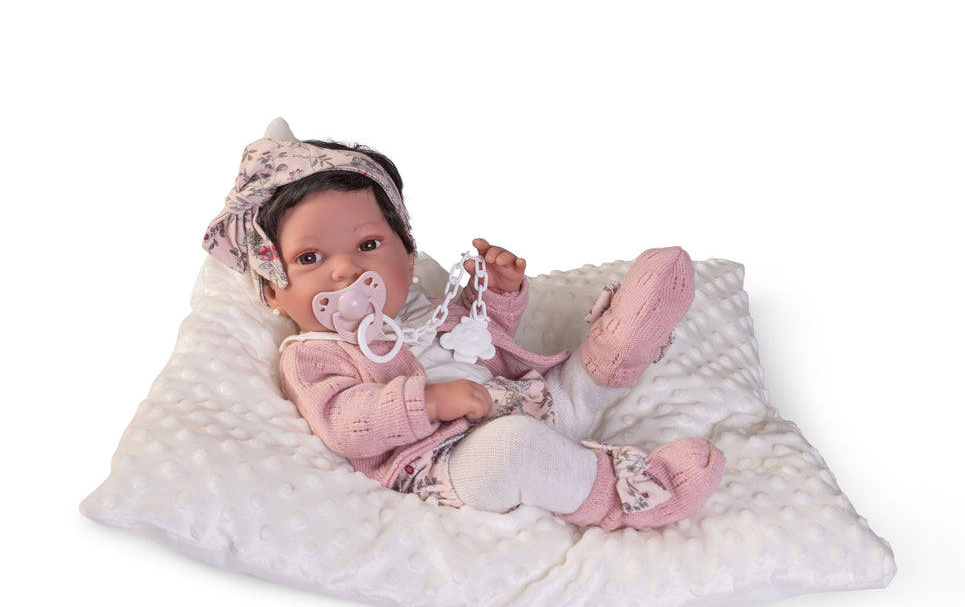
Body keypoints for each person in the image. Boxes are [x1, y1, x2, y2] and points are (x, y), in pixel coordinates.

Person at [203, 120, 724, 530]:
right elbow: (342, 420)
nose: (346, 270)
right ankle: (628, 497)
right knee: (513, 448)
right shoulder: (313, 353)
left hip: (525, 400)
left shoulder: (422, 306)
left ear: (408, 255)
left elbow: (485, 346)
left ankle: (624, 339)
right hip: (446, 464)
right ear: (272, 292)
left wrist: (495, 293)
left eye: (368, 245)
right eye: (310, 258)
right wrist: (427, 402)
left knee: (571, 386)